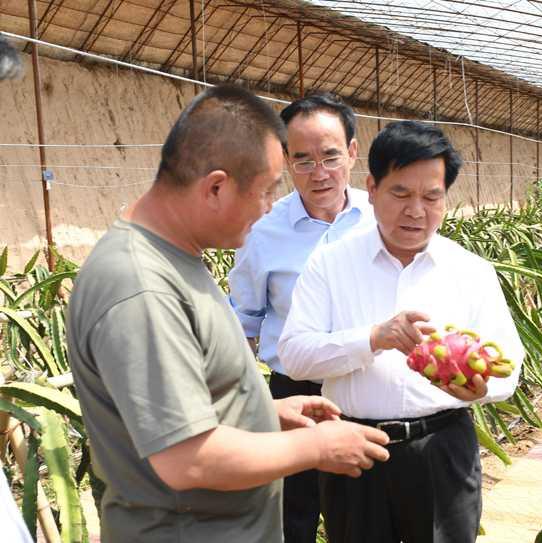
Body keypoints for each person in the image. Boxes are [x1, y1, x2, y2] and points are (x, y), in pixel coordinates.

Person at [66, 84, 389, 543]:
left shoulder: (175, 257)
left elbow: (179, 409)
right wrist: (315, 446)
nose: (266, 211)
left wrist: (262, 411)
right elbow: (187, 458)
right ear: (216, 186)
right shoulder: (140, 287)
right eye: (263, 193)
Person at [278, 120, 524, 543]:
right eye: (400, 193)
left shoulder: (470, 271)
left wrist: (480, 388)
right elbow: (296, 354)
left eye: (432, 197)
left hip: (442, 448)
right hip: (354, 449)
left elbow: (510, 364)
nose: (416, 211)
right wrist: (374, 338)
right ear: (371, 188)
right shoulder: (331, 264)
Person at [228, 92, 373, 543]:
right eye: (303, 160)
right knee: (293, 517)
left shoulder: (380, 217)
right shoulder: (264, 230)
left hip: (365, 390)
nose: (320, 172)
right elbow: (243, 323)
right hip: (294, 393)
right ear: (285, 161)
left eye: (330, 156)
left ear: (351, 151)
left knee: (364, 517)